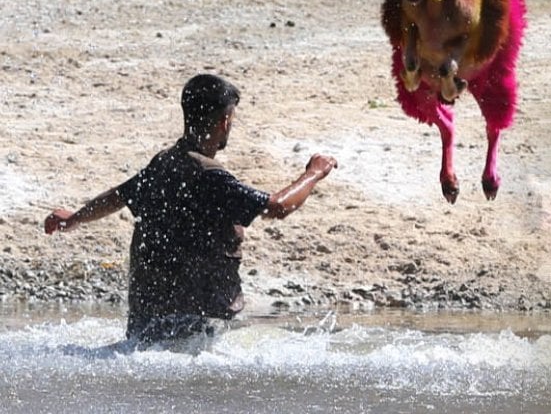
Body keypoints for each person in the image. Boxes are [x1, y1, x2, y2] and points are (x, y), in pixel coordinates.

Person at [43, 74, 338, 345]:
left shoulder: (164, 164)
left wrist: (75, 218)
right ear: (224, 122)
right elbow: (278, 207)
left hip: (147, 327)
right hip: (199, 331)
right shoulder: (209, 175)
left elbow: (119, 195)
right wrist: (314, 173)